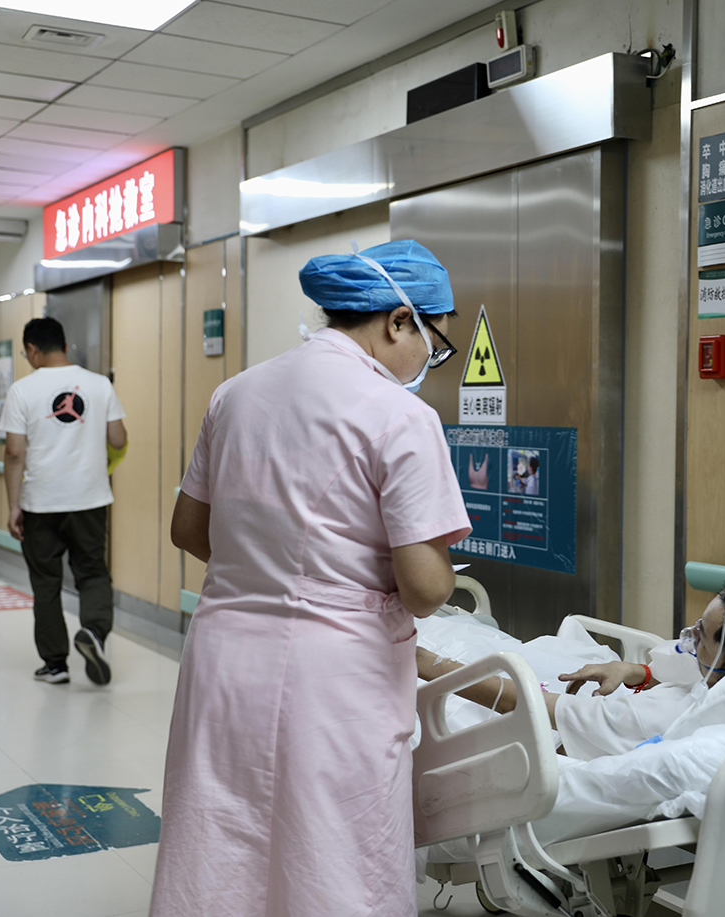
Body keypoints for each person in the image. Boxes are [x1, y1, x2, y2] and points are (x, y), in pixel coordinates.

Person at [150, 240, 471, 917]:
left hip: (224, 660)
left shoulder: (236, 393)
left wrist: (262, 567)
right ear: (399, 322)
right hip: (333, 677)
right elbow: (425, 588)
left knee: (220, 844)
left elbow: (188, 529)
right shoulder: (399, 415)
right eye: (435, 343)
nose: (428, 361)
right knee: (335, 860)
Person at [417, 578, 725, 759]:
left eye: (700, 637)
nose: (688, 638)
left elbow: (518, 702)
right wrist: (638, 672)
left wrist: (425, 663)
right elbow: (685, 667)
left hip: (544, 735)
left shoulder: (662, 718)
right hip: (578, 698)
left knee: (455, 655)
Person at [1, 317, 127, 686]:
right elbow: (118, 439)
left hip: (40, 502)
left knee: (46, 582)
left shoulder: (22, 390)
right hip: (90, 499)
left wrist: (13, 506)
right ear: (66, 346)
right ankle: (94, 632)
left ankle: (55, 664)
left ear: (32, 350)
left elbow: (14, 453)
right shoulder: (100, 384)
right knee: (92, 572)